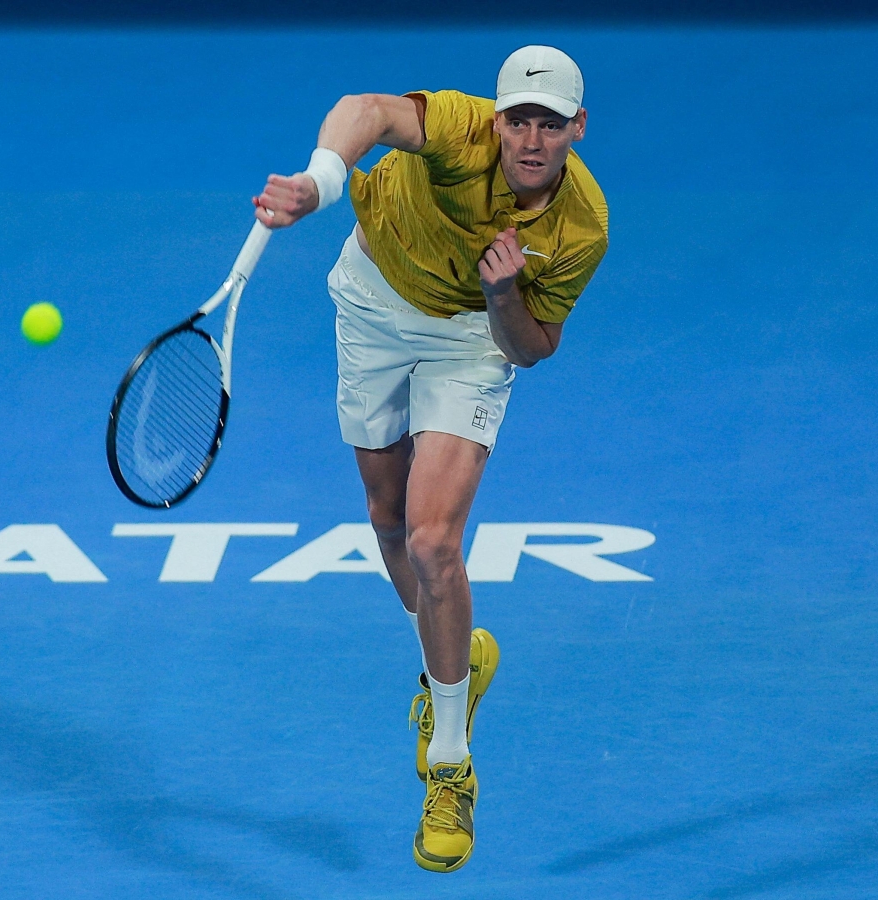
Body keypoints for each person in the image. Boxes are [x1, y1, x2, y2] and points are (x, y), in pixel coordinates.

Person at [253, 45, 608, 872]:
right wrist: (320, 183)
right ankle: (455, 658)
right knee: (386, 520)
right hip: (373, 300)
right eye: (518, 120)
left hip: (473, 338)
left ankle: (450, 762)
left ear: (578, 128)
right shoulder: (457, 127)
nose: (531, 140)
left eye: (550, 124)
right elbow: (367, 110)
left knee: (432, 540)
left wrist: (501, 293)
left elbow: (533, 347)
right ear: (497, 119)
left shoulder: (582, 228)